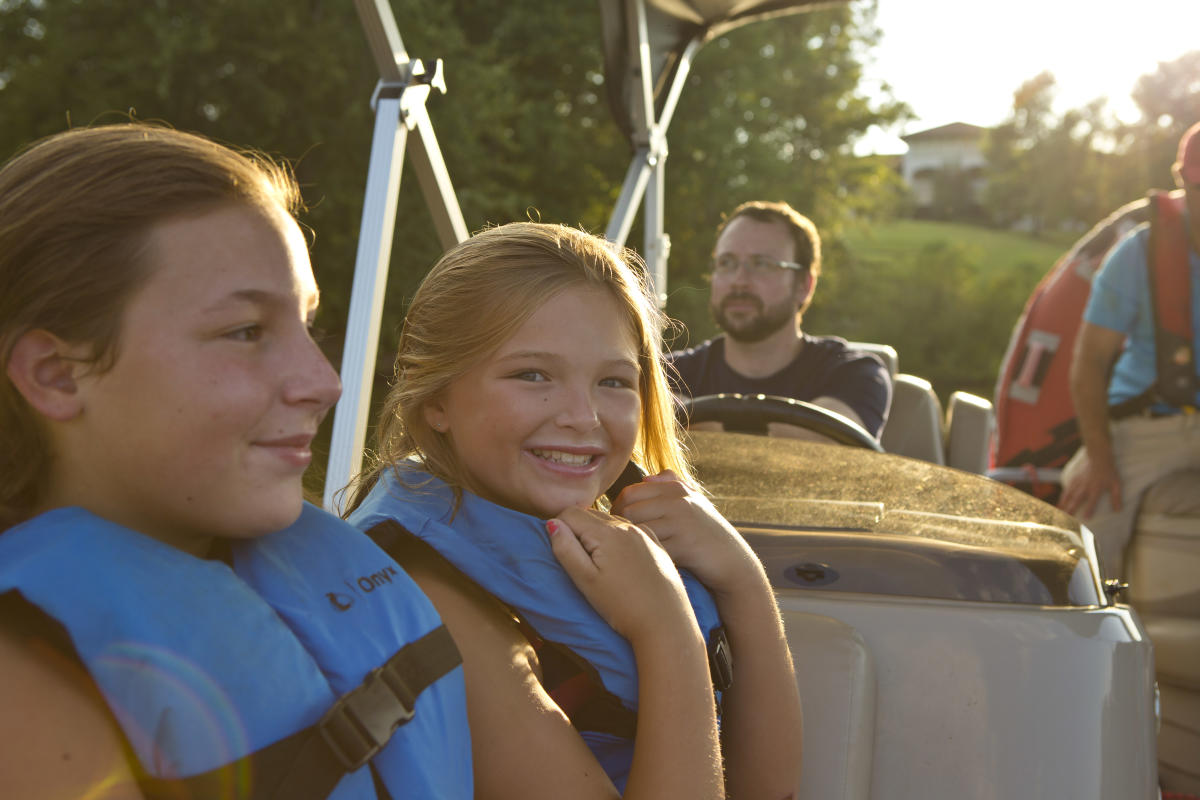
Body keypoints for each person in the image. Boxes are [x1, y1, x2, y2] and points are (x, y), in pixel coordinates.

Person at [0, 124, 472, 799]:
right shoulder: (19, 685)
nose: (324, 381)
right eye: (246, 331)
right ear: (55, 374)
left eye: (305, 327)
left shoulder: (297, 574)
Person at [345, 222, 803, 799]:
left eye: (613, 380)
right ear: (435, 399)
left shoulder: (597, 534)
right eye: (532, 374)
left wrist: (742, 578)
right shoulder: (435, 600)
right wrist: (666, 628)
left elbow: (769, 789)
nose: (583, 418)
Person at [1060, 121, 1200, 577]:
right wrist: (1100, 461)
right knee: (1082, 540)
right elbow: (1089, 363)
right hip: (1148, 423)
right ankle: (1086, 638)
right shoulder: (1139, 254)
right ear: (1183, 182)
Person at [669, 200, 891, 439]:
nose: (739, 280)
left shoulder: (854, 374)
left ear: (804, 285)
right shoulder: (668, 373)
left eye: (762, 264)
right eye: (726, 263)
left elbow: (824, 447)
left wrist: (678, 419)